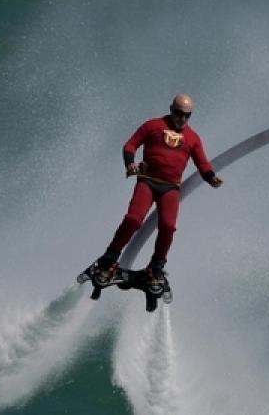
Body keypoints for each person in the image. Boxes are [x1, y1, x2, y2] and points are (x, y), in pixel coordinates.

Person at [78, 93, 223, 293]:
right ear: (171, 109)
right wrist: (130, 164)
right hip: (147, 182)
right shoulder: (153, 126)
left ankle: (155, 268)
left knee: (168, 226)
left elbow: (203, 163)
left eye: (187, 115)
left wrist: (211, 177)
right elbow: (130, 145)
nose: (182, 118)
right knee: (133, 220)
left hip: (170, 188)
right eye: (179, 113)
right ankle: (109, 259)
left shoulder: (192, 138)